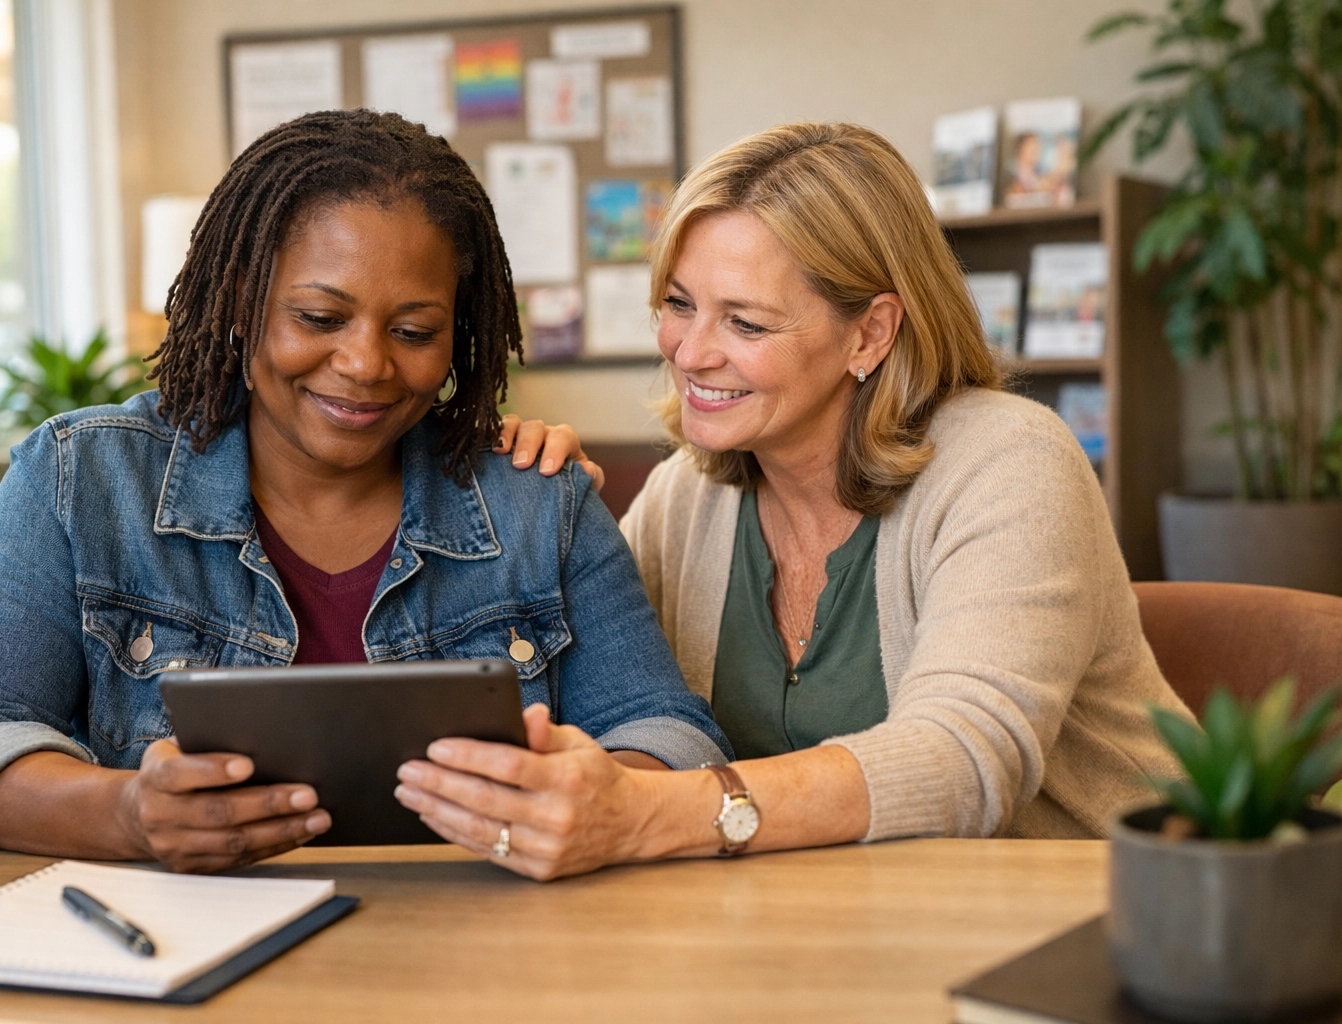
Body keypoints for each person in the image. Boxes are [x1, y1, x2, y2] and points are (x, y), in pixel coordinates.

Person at [0, 109, 730, 873]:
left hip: (481, 956)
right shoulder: (82, 479)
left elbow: (670, 734)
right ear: (242, 301)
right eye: (320, 319)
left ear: (461, 337)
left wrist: (603, 801)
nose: (366, 365)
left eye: (413, 332)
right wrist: (126, 814)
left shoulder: (537, 499)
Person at [395, 121, 1191, 879]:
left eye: (744, 322)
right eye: (678, 304)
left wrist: (653, 813)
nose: (691, 352)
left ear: (870, 334)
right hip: (838, 929)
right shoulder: (688, 495)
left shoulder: (1009, 460)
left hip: (1122, 919)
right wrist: (535, 515)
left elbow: (961, 762)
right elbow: (585, 678)